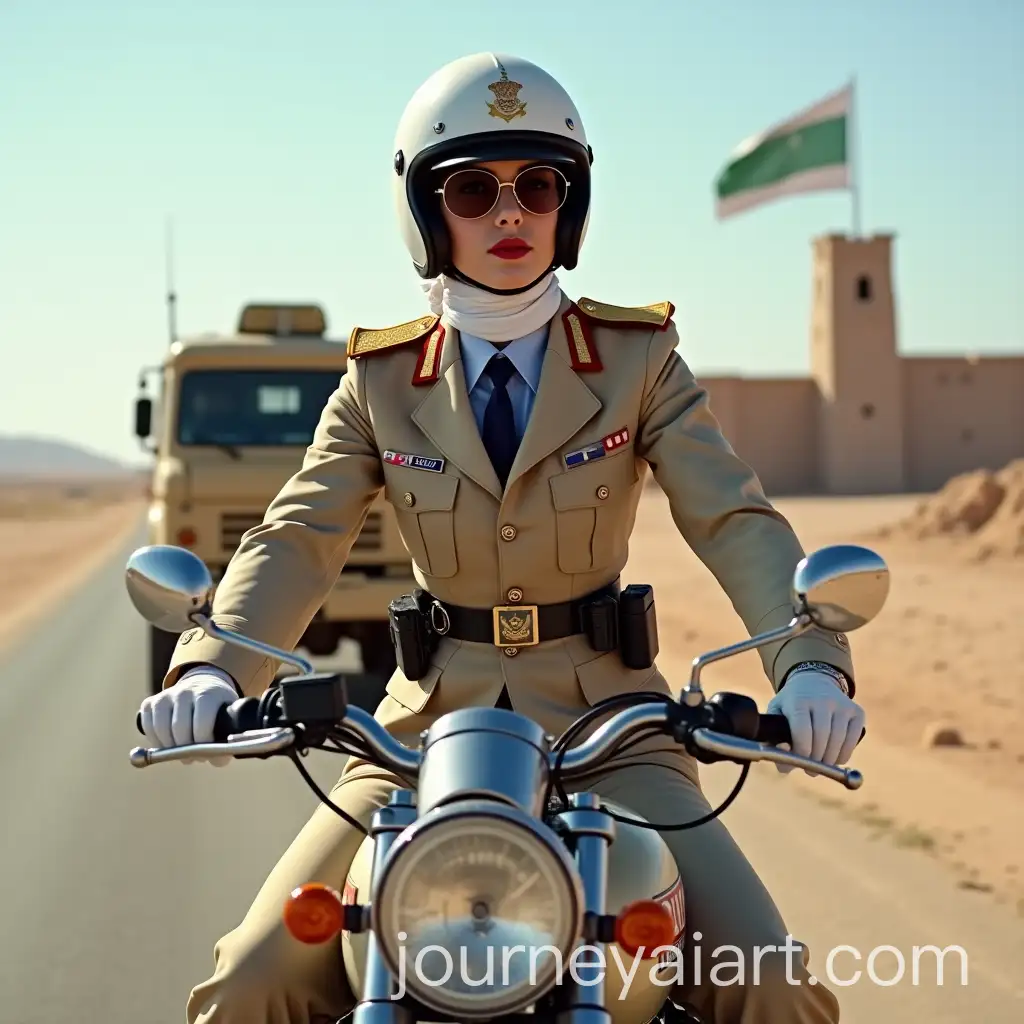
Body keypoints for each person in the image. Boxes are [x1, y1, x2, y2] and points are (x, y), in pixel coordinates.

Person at [138, 52, 865, 1024]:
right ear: (426, 212)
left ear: (573, 205)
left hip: (613, 730)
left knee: (769, 983)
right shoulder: (379, 381)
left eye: (539, 185)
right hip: (415, 736)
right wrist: (208, 670)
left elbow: (731, 516)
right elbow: (296, 534)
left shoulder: (636, 360)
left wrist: (808, 662)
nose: (510, 213)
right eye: (473, 189)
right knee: (250, 980)